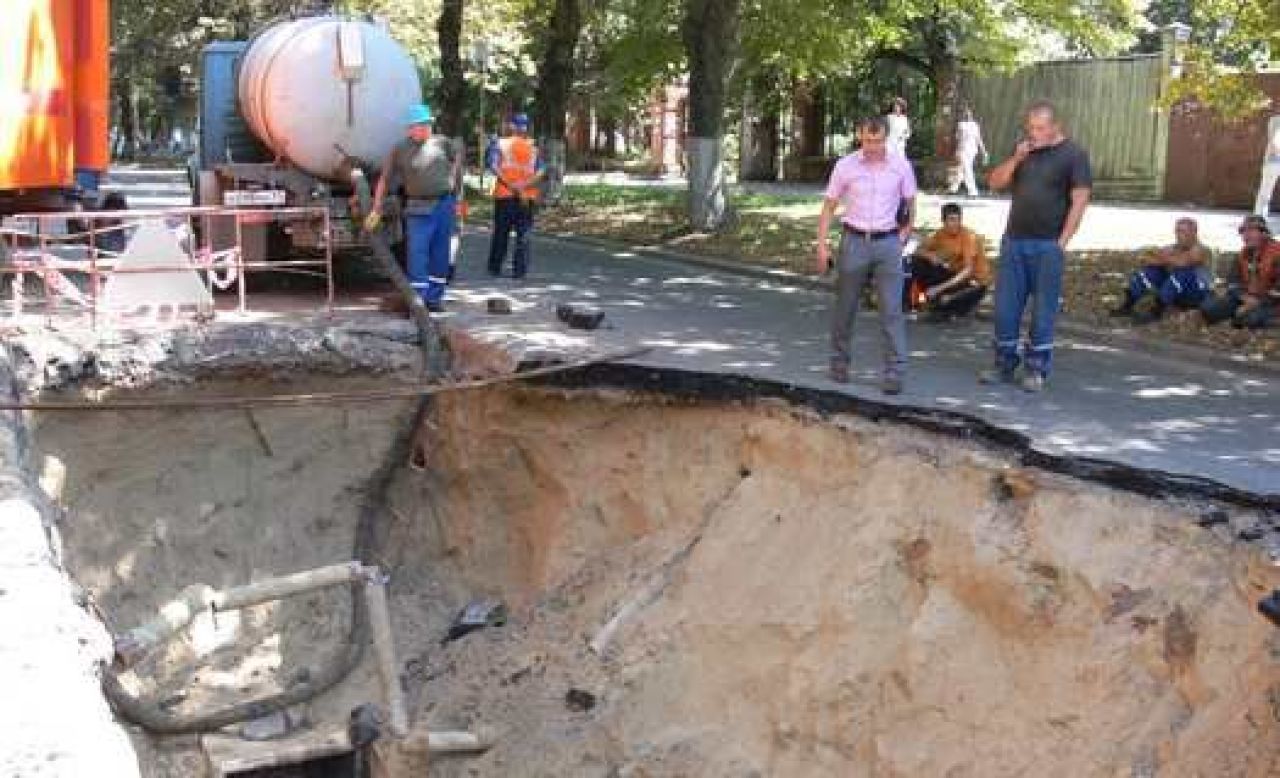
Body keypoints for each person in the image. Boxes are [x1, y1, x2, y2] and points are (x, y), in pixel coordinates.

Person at [982, 100, 1091, 392]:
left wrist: (1062, 242)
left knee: (1043, 310)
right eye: (1031, 127)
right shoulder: (1023, 151)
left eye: (1040, 128)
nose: (1034, 133)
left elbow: (1080, 201)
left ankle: (1036, 368)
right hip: (1015, 241)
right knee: (1006, 308)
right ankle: (1004, 363)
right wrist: (1016, 159)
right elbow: (994, 182)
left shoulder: (1074, 155)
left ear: (1056, 126)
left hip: (1047, 245)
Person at [816, 115, 917, 395]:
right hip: (854, 241)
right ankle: (839, 363)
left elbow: (910, 202)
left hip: (887, 244)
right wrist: (822, 245)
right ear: (860, 137)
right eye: (868, 140)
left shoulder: (900, 166)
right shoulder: (845, 166)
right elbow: (829, 207)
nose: (873, 146)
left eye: (879, 140)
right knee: (845, 306)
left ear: (887, 138)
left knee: (892, 310)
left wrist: (904, 234)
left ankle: (895, 372)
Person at [366, 103, 459, 313]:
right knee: (417, 253)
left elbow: (455, 163)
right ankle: (418, 302)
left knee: (441, 254)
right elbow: (385, 179)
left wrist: (455, 191)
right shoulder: (400, 149)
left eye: (426, 124)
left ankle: (434, 299)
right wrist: (376, 207)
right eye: (419, 125)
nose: (424, 129)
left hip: (444, 204)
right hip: (418, 207)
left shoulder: (443, 143)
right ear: (409, 129)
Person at [1110, 217, 1211, 323]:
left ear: (1194, 232)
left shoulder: (1202, 249)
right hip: (1176, 292)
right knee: (1150, 271)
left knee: (1183, 273)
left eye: (1182, 231)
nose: (1178, 235)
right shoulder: (1172, 248)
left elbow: (1184, 262)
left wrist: (1163, 259)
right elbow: (1147, 258)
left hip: (1196, 295)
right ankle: (1128, 305)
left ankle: (1156, 312)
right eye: (1177, 231)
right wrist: (1162, 259)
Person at [907, 202, 990, 320]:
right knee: (918, 262)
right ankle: (921, 300)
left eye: (957, 220)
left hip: (973, 283)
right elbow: (917, 250)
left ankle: (946, 307)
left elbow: (967, 271)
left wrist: (939, 288)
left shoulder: (968, 237)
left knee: (944, 304)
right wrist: (930, 256)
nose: (955, 224)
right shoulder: (941, 233)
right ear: (943, 221)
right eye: (951, 220)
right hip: (953, 277)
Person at [487, 114, 545, 279]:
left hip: (505, 195)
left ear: (510, 126)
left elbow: (493, 166)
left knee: (501, 233)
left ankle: (495, 267)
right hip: (526, 197)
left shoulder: (500, 143)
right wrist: (524, 186)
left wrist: (511, 184)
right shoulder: (533, 147)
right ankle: (519, 271)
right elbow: (541, 171)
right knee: (523, 235)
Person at [1200, 215, 1279, 330]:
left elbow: (1277, 291)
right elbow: (1233, 282)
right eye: (1244, 232)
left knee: (1250, 319)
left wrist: (1257, 302)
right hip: (1245, 298)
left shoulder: (1277, 253)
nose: (1246, 235)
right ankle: (1237, 316)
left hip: (1271, 302)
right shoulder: (1242, 254)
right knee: (1209, 308)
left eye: (1251, 231)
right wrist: (1244, 297)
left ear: (1264, 233)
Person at [949, 108, 988, 197]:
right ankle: (953, 188)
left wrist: (984, 151)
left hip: (968, 151)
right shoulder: (968, 125)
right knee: (963, 169)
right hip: (966, 150)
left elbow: (978, 139)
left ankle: (973, 191)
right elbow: (977, 139)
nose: (967, 115)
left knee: (966, 170)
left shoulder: (966, 125)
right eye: (966, 114)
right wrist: (983, 151)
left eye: (968, 114)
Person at [1255, 114, 1280, 219]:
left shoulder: (1275, 120)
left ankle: (1259, 218)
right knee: (1265, 193)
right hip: (1274, 161)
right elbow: (1274, 143)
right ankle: (1259, 218)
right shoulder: (1276, 121)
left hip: (1273, 161)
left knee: (1265, 193)